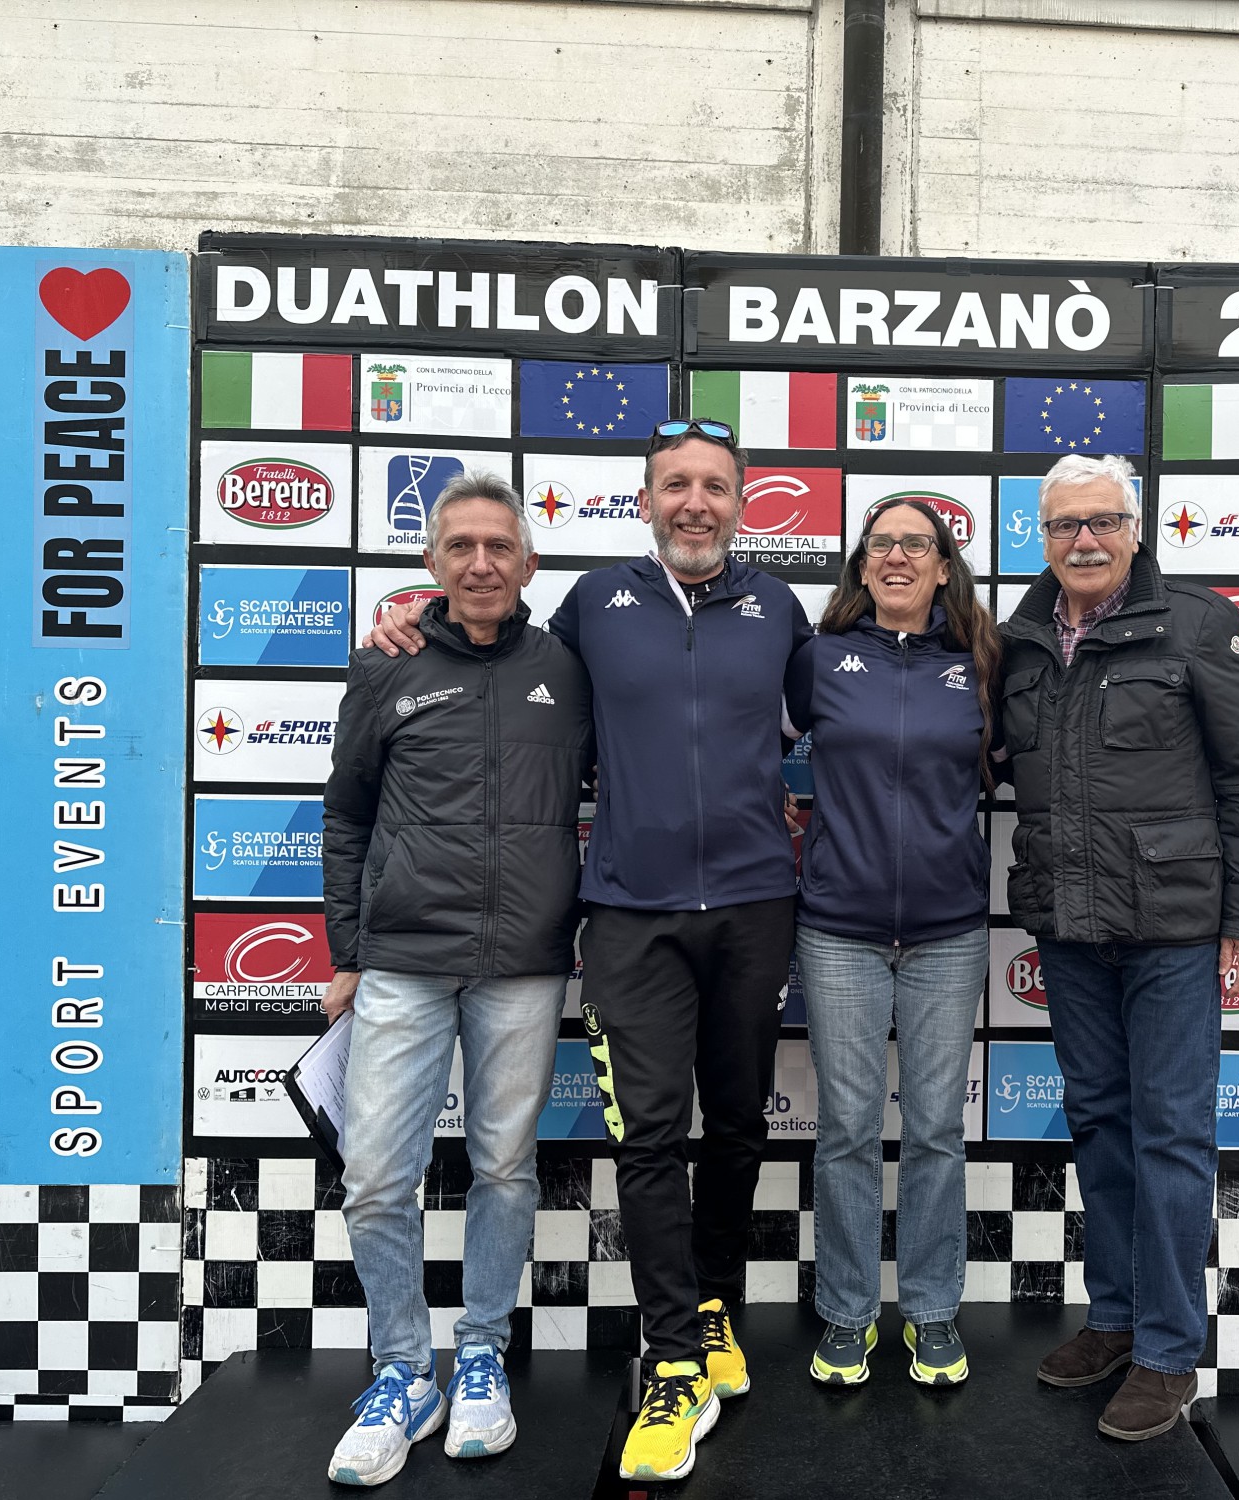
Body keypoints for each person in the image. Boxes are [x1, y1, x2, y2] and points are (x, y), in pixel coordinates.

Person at [364, 419, 811, 1483]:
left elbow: (847, 696)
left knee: (738, 1125)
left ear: (740, 503)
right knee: (647, 1137)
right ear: (644, 502)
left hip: (755, 906)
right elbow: (492, 649)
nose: (694, 502)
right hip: (626, 915)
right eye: (674, 485)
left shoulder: (779, 608)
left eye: (713, 486)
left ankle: (712, 1307)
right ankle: (671, 1356)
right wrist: (408, 613)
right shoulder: (593, 605)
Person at [998, 452, 1239, 1442]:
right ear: (1042, 536)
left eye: (1102, 522)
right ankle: (1115, 1319)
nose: (1083, 540)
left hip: (1173, 931)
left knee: (1169, 1137)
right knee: (1101, 1127)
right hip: (1069, 927)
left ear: (1134, 529)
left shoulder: (1195, 623)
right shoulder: (1020, 639)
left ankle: (1167, 1353)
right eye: (1063, 525)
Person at [319, 473, 593, 1486]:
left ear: (528, 562)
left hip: (523, 962)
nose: (481, 564)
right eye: (461, 547)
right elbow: (347, 813)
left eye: (499, 546)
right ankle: (403, 1371)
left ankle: (480, 1354)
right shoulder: (384, 666)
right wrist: (347, 952)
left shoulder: (568, 669)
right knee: (375, 1176)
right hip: (403, 959)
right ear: (431, 562)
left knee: (504, 1169)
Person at [784, 499, 1000, 1389]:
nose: (898, 557)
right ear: (862, 566)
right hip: (840, 927)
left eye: (917, 544)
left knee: (937, 1128)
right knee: (845, 1128)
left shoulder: (981, 661)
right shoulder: (818, 659)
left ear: (944, 566)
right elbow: (735, 735)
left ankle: (932, 1308)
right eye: (882, 545)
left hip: (949, 930)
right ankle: (846, 1313)